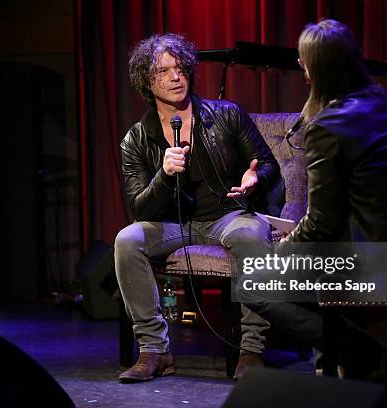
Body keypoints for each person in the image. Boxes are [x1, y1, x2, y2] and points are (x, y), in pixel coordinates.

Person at [243, 19, 387, 380]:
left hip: (376, 259)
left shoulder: (328, 125)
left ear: (314, 68)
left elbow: (321, 223)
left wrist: (283, 249)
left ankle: (368, 358)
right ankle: (338, 365)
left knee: (255, 283)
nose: (300, 69)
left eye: (303, 62)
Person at [115, 33, 280, 382]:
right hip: (174, 225)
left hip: (227, 216)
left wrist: (255, 180)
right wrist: (163, 174)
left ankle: (251, 351)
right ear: (146, 81)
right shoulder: (136, 139)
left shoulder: (227, 114)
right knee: (127, 240)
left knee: (252, 233)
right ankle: (154, 351)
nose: (176, 77)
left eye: (180, 68)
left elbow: (267, 164)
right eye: (163, 71)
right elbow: (139, 208)